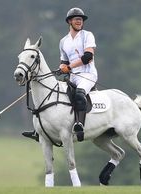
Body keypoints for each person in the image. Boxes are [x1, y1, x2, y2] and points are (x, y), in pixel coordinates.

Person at [22, 7, 97, 142]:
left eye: (81, 19)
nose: (79, 21)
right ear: (69, 21)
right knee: (49, 94)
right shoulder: (63, 41)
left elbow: (88, 57)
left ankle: (79, 125)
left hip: (88, 74)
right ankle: (39, 130)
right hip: (73, 76)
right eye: (76, 19)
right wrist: (62, 67)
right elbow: (64, 61)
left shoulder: (87, 35)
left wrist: (68, 67)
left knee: (79, 93)